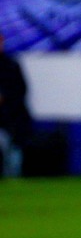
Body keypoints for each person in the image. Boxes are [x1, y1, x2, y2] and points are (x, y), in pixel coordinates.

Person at [0, 31, 33, 177]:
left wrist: (4, 97)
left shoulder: (11, 65)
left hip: (10, 120)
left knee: (12, 155)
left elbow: (20, 91)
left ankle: (13, 181)